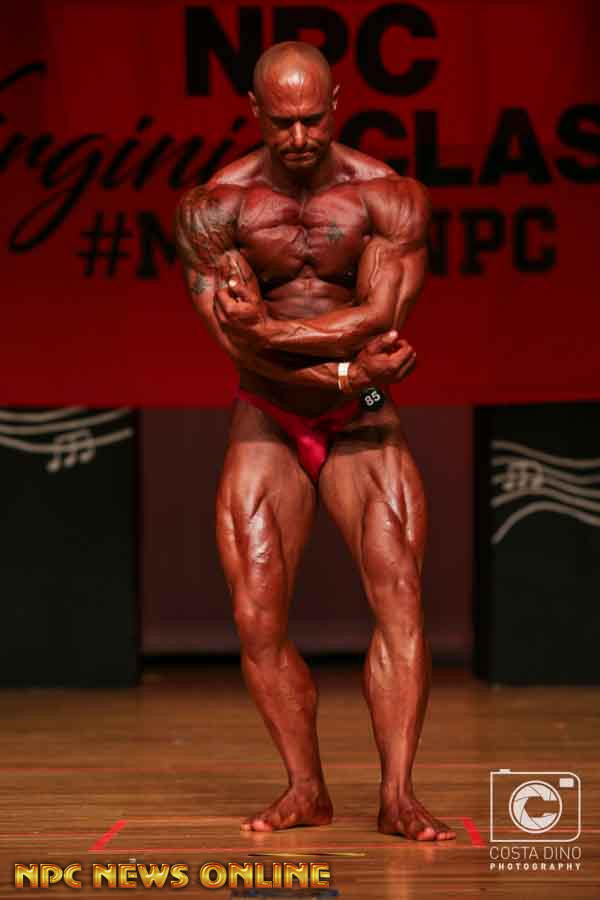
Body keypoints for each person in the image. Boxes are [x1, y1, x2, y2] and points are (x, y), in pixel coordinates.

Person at [175, 41, 455, 842]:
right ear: (253, 112)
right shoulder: (215, 206)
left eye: (311, 119)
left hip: (363, 410)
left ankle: (399, 795)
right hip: (271, 409)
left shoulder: (387, 196)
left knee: (400, 596)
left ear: (336, 105)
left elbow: (379, 316)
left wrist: (279, 333)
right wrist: (340, 368)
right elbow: (234, 341)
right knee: (256, 613)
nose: (298, 137)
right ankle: (306, 789)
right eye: (281, 122)